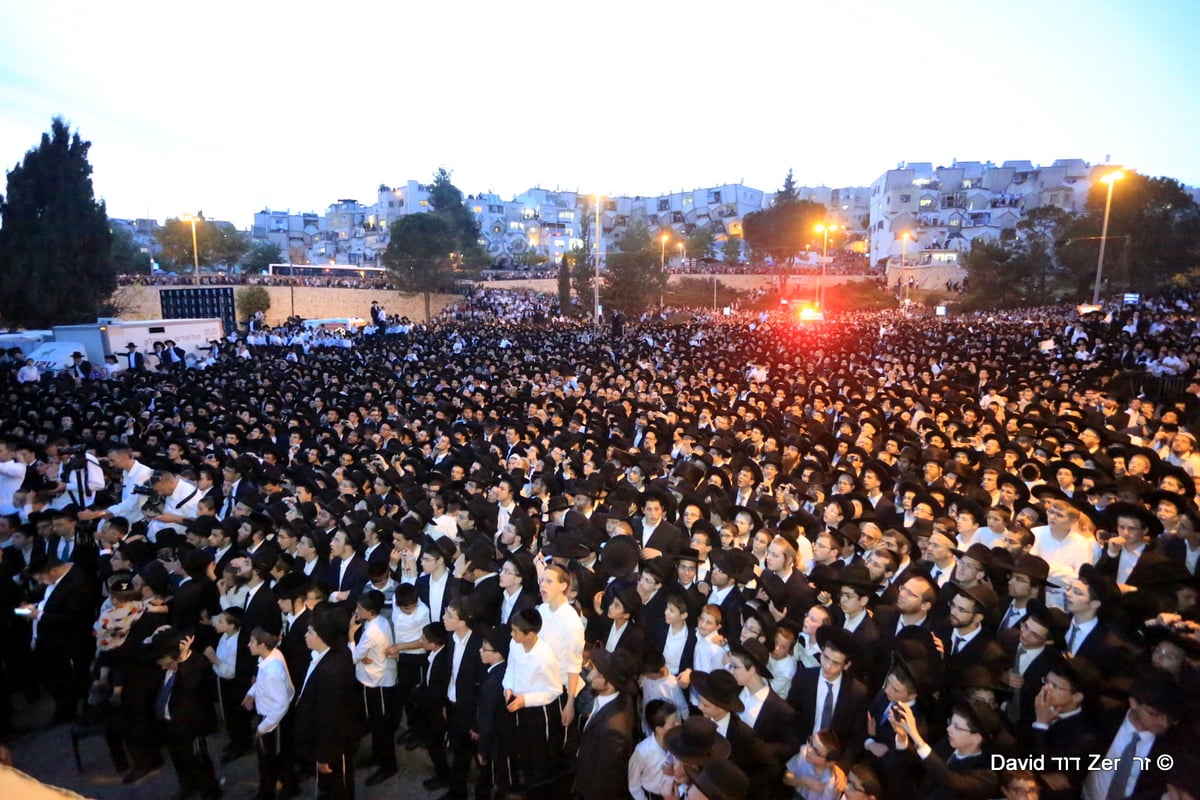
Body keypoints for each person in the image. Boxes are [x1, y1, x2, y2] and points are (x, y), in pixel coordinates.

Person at [290, 604, 364, 800]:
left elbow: (330, 718)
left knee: (338, 787)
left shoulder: (331, 671)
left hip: (334, 748)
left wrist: (324, 756)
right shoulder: (325, 657)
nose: (306, 635)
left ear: (324, 636)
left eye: (311, 631)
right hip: (323, 742)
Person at [150, 628, 222, 800]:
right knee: (178, 758)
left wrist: (182, 661)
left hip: (191, 724)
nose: (162, 666)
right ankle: (188, 785)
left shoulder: (196, 663)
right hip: (171, 721)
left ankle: (210, 790)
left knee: (197, 759)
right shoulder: (167, 667)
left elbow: (190, 687)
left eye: (166, 662)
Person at [574, 647, 638, 800]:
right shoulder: (617, 698)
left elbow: (606, 781)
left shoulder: (614, 731)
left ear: (610, 683)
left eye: (597, 673)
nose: (590, 676)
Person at [349, 589, 398, 786]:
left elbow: (353, 657)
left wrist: (351, 634)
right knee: (377, 725)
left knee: (382, 727)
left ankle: (388, 765)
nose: (356, 611)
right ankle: (379, 757)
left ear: (370, 612)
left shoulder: (371, 631)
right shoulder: (378, 623)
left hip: (378, 683)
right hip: (373, 678)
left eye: (360, 608)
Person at [242, 627, 294, 800]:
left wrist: (263, 727)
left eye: (252, 642)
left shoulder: (273, 670)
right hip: (271, 718)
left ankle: (270, 793)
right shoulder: (270, 656)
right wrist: (252, 692)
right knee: (276, 757)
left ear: (262, 645)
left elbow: (280, 705)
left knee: (271, 760)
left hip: (272, 720)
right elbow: (261, 681)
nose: (248, 644)